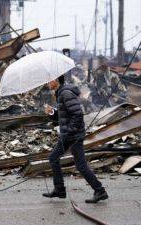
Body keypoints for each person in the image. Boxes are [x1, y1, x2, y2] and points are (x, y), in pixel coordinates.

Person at [42, 75, 108, 204]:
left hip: (73, 136)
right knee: (53, 158)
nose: (47, 83)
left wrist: (70, 131)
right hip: (68, 135)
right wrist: (52, 113)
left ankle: (100, 191)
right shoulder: (60, 93)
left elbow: (77, 115)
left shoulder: (66, 93)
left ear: (55, 80)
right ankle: (59, 189)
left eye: (49, 80)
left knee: (81, 165)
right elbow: (63, 118)